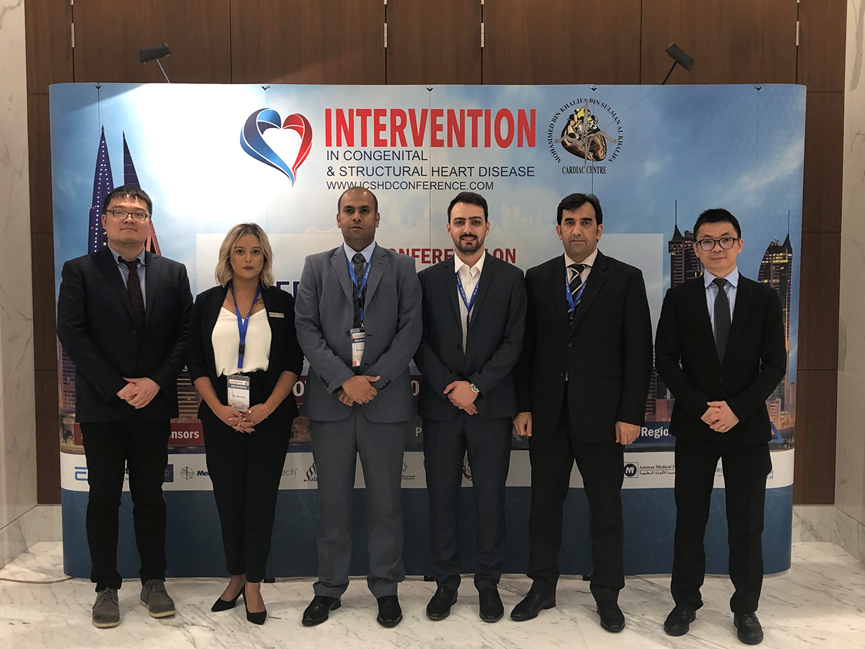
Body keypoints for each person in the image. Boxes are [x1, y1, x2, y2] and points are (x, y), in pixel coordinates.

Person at [511, 192, 652, 632]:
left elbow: (639, 353)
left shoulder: (626, 278)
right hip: (548, 415)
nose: (577, 229)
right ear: (558, 230)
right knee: (543, 508)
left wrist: (631, 414)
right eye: (569, 222)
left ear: (599, 229)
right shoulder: (537, 278)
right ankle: (542, 587)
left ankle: (607, 595)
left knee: (606, 511)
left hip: (605, 419)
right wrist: (523, 406)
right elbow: (526, 350)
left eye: (585, 222)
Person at [57, 185, 192, 628]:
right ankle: (106, 586)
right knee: (103, 498)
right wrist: (117, 386)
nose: (129, 219)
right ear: (105, 221)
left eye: (138, 213)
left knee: (151, 498)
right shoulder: (79, 270)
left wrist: (155, 381)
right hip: (103, 406)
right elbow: (72, 332)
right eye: (120, 211)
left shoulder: (173, 273)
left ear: (149, 222)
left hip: (153, 404)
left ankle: (154, 581)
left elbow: (185, 335)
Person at [655, 209, 786, 646]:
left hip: (746, 428)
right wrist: (702, 408)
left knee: (746, 523)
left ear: (739, 244)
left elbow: (775, 365)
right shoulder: (679, 297)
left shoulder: (763, 298)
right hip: (696, 427)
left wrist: (736, 410)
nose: (717, 248)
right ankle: (685, 602)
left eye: (725, 239)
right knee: (689, 518)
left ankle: (745, 608)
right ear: (696, 248)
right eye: (707, 241)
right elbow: (665, 359)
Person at [294, 186, 422, 628]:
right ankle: (329, 588)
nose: (356, 217)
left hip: (383, 404)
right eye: (349, 210)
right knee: (332, 504)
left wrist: (373, 382)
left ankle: (386, 588)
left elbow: (410, 332)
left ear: (377, 218)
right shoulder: (315, 266)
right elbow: (306, 329)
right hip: (332, 403)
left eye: (365, 211)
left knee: (386, 503)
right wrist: (343, 379)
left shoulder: (402, 267)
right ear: (338, 218)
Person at [414, 192, 527, 623]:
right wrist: (452, 387)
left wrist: (475, 387)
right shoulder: (427, 280)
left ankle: (488, 584)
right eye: (460, 222)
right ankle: (445, 584)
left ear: (487, 227)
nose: (467, 229)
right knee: (441, 500)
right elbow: (419, 342)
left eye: (475, 221)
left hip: (490, 408)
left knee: (490, 501)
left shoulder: (511, 278)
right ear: (449, 228)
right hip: (442, 409)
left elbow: (514, 342)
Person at [186, 223, 302, 625]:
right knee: (229, 500)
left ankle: (254, 583)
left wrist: (266, 409)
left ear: (264, 257)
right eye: (240, 251)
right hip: (221, 412)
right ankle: (235, 575)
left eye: (255, 251)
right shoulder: (205, 302)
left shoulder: (282, 302)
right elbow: (195, 362)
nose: (248, 258)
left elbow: (293, 362)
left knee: (260, 501)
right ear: (228, 257)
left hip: (269, 412)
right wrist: (218, 408)